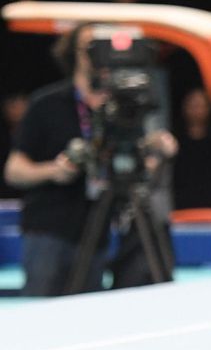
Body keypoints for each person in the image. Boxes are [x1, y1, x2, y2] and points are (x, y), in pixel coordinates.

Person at [3, 23, 178, 296]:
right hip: (49, 231)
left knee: (87, 318)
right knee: (40, 319)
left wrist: (154, 150)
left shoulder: (123, 108)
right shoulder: (45, 104)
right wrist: (53, 170)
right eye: (90, 47)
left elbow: (139, 160)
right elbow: (13, 170)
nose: (98, 54)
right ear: (74, 52)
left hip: (96, 234)